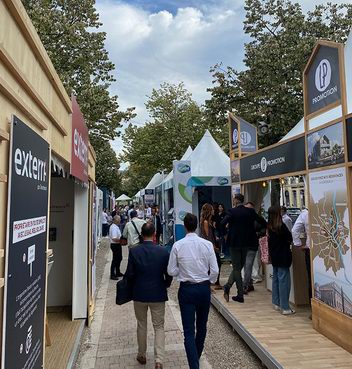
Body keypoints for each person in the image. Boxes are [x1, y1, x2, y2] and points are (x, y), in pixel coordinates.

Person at [168, 213, 218, 369]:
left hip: (187, 289)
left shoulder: (178, 245)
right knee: (202, 325)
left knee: (188, 330)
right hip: (203, 288)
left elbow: (171, 270)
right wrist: (209, 281)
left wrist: (181, 272)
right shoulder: (207, 245)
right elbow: (215, 270)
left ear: (184, 226)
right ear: (197, 225)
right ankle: (195, 356)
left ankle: (193, 364)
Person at [125, 223, 172, 369]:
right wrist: (166, 284)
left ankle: (142, 354)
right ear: (155, 233)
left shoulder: (134, 252)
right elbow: (169, 273)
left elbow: (130, 274)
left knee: (141, 324)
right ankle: (159, 360)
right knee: (159, 326)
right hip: (158, 293)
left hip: (139, 293)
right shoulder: (163, 252)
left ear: (141, 233)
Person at [222, 193, 267, 303]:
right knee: (240, 265)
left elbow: (222, 223)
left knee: (237, 267)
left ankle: (240, 293)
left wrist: (226, 232)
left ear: (236, 200)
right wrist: (253, 232)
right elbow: (263, 222)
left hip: (234, 243)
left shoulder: (232, 212)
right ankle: (228, 286)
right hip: (247, 243)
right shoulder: (250, 211)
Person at [267, 205, 295, 315]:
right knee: (284, 280)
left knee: (276, 279)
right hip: (283, 255)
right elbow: (289, 238)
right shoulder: (281, 226)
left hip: (274, 255)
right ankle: (285, 306)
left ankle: (276, 302)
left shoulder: (269, 226)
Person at [243, 202, 266, 294]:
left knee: (249, 265)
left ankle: (246, 285)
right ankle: (249, 283)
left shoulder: (256, 218)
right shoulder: (242, 219)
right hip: (243, 244)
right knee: (247, 265)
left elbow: (264, 226)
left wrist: (258, 234)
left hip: (252, 244)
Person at [199, 203, 222, 289]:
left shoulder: (208, 221)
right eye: (212, 209)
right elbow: (207, 236)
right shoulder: (205, 222)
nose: (213, 210)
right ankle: (214, 283)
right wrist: (213, 246)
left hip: (211, 245)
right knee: (217, 262)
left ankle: (215, 282)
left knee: (215, 263)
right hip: (209, 246)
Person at [292, 209, 311, 301]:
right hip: (327, 249)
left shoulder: (305, 214)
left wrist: (298, 244)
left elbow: (295, 230)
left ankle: (312, 306)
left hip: (310, 249)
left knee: (311, 278)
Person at [109, 215, 123, 280]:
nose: (120, 220)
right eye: (119, 219)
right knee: (115, 259)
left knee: (119, 258)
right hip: (115, 245)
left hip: (117, 244)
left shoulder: (115, 226)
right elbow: (114, 238)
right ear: (115, 220)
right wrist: (121, 240)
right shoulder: (114, 227)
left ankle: (117, 271)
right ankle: (112, 274)